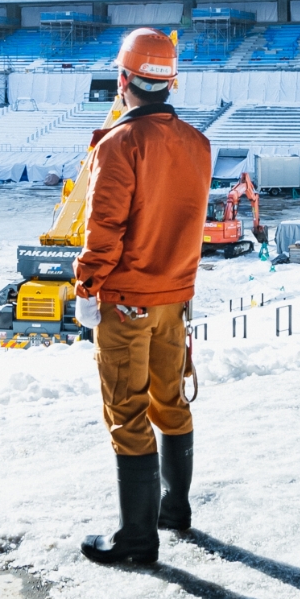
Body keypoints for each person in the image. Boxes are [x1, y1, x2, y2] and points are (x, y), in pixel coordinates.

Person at [74, 28, 211, 566]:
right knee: (170, 402)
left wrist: (87, 285)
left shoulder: (119, 143)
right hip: (175, 300)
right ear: (170, 82)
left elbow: (104, 228)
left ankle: (137, 537)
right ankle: (174, 510)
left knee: (127, 414)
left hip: (126, 300)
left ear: (123, 79)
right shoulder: (197, 143)